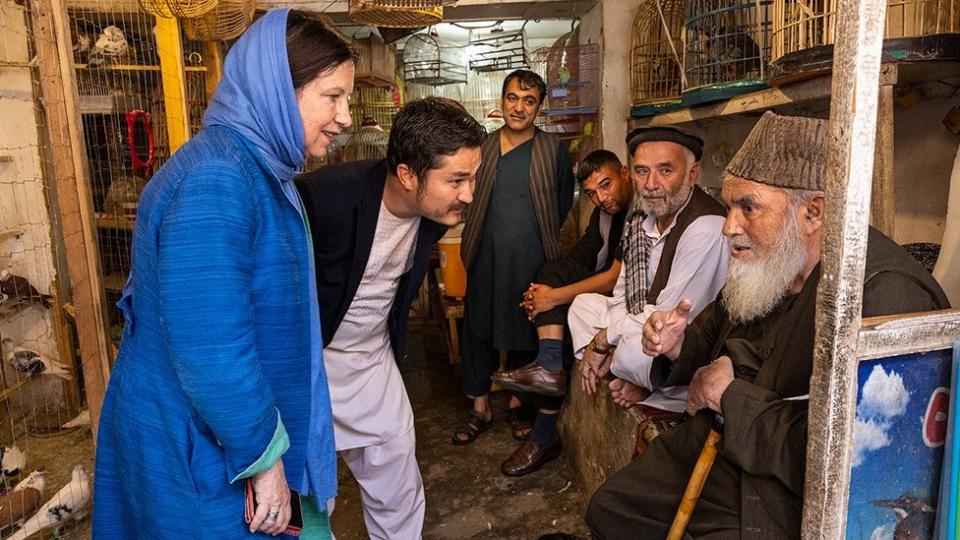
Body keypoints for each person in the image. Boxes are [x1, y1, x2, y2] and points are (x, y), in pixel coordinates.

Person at [585, 111, 951, 538]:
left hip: (783, 493)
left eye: (748, 207)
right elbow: (711, 328)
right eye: (729, 205)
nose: (729, 226)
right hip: (730, 447)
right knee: (611, 509)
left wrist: (730, 395)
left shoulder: (885, 294)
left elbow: (851, 459)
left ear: (812, 213)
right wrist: (675, 345)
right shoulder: (776, 260)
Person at [93, 10, 356, 538]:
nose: (346, 116)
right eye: (332, 96)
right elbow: (213, 349)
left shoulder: (253, 168)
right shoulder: (218, 179)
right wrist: (266, 461)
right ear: (280, 91)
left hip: (214, 427)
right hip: (198, 439)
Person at [295, 97, 486, 539]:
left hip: (372, 363)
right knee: (306, 496)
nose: (468, 194)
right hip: (310, 366)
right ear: (407, 174)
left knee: (397, 481)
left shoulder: (434, 213)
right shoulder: (323, 200)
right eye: (457, 179)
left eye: (472, 178)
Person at [488, 149, 633, 476]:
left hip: (633, 305)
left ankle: (543, 433)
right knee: (549, 274)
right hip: (607, 298)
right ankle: (548, 368)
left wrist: (553, 298)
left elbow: (614, 279)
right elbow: (581, 258)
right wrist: (541, 290)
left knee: (558, 311)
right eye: (593, 193)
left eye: (606, 185)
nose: (601, 198)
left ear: (625, 173)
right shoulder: (604, 212)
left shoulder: (638, 215)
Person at [567, 126, 729, 414]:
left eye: (665, 171)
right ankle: (629, 372)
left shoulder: (705, 227)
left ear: (692, 175)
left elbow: (667, 321)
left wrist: (604, 340)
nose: (651, 184)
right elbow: (622, 294)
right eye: (642, 171)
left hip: (684, 343)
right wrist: (612, 336)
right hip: (643, 325)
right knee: (582, 307)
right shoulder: (641, 220)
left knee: (641, 347)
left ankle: (640, 379)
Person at [455, 69, 575, 445]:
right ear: (502, 100)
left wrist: (530, 239)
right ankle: (479, 408)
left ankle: (517, 402)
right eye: (512, 98)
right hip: (484, 255)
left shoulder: (553, 151)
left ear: (538, 107)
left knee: (526, 329)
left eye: (528, 101)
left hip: (531, 257)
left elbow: (559, 206)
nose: (518, 108)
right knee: (478, 328)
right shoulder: (482, 148)